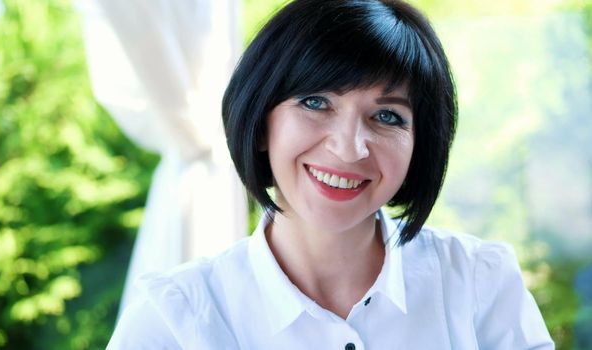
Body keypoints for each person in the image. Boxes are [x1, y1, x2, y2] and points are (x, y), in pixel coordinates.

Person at [107, 0, 554, 348]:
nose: (349, 147)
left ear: (421, 145)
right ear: (262, 122)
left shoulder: (481, 283)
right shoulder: (172, 319)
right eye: (316, 102)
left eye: (387, 117)